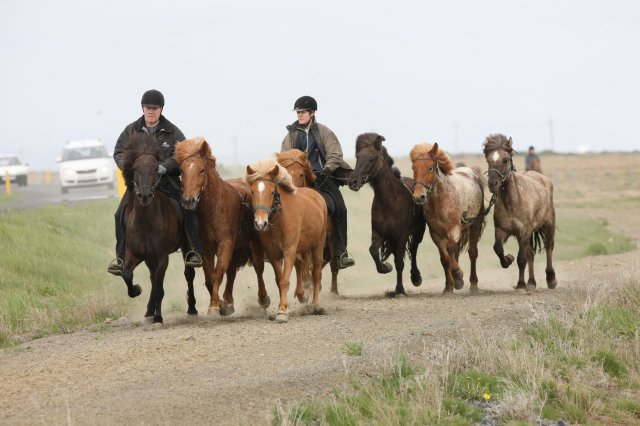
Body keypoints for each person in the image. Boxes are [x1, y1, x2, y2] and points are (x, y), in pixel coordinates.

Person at [107, 89, 203, 276]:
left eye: (155, 108)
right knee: (119, 214)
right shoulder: (131, 130)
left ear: (161, 109)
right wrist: (129, 167)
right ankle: (120, 258)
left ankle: (194, 250)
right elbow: (118, 152)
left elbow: (183, 154)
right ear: (142, 109)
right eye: (148, 108)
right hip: (139, 185)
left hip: (167, 183)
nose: (151, 111)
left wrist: (164, 167)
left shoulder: (173, 131)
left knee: (188, 209)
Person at [281, 95, 355, 269]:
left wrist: (327, 169)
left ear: (312, 113)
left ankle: (341, 251)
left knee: (341, 209)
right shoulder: (291, 135)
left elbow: (335, 154)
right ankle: (276, 249)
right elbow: (284, 156)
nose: (299, 115)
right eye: (298, 112)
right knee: (276, 204)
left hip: (322, 177)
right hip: (297, 178)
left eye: (303, 112)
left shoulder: (324, 132)